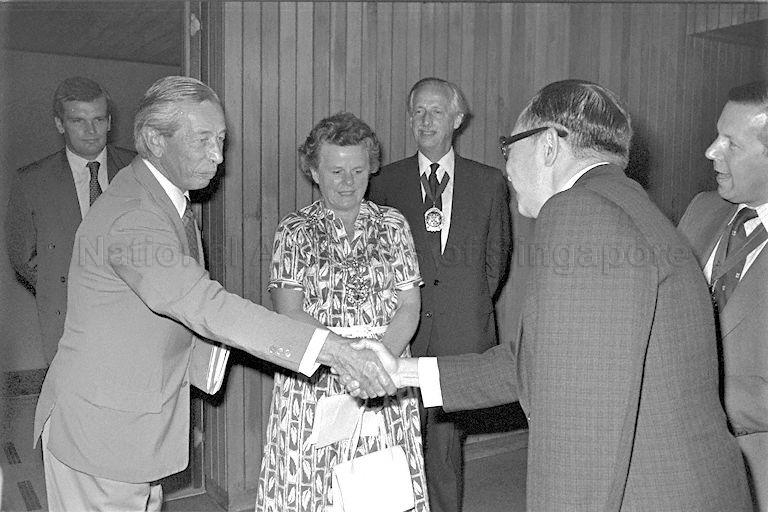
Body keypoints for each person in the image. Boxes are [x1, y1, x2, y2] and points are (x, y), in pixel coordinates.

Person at [357, 79, 753, 511]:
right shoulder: (623, 202)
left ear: (548, 145)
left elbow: (578, 428)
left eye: (508, 147)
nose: (506, 167)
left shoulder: (579, 211)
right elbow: (533, 363)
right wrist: (403, 372)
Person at [32, 76, 394, 512]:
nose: (218, 156)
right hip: (101, 430)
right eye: (202, 139)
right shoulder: (133, 216)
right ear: (154, 140)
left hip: (133, 420)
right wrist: (335, 350)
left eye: (220, 139)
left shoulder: (169, 202)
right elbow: (202, 303)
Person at [255, 112, 429, 511]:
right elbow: (289, 310)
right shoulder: (294, 230)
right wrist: (350, 359)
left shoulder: (393, 225)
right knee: (311, 484)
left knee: (382, 485)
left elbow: (408, 305)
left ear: (371, 168)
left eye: (358, 170)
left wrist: (378, 359)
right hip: (316, 371)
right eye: (335, 171)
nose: (348, 182)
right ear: (313, 171)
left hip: (383, 373)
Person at [367, 77, 510, 512]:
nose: (425, 120)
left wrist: (460, 310)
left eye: (435, 112)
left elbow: (495, 263)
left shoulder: (488, 183)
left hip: (459, 340)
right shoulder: (386, 182)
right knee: (399, 440)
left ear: (457, 119)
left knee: (446, 451)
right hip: (404, 335)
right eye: (417, 112)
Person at [678, 80, 768, 511]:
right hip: (679, 464)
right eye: (718, 135)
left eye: (731, 143)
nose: (712, 151)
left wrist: (690, 396)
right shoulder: (702, 209)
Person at [5, 76, 135, 364]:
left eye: (98, 120)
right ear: (59, 124)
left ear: (110, 122)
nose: (91, 131)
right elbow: (22, 255)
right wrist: (64, 285)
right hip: (68, 321)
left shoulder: (137, 170)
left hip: (133, 314)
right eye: (78, 121)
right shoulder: (31, 181)